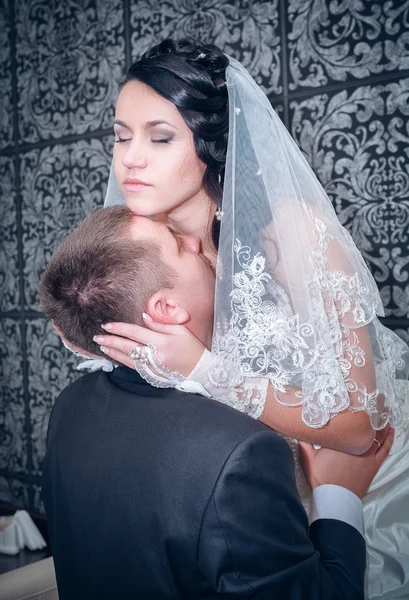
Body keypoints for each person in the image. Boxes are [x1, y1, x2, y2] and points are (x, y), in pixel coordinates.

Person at [84, 39, 409, 599]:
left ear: (213, 143)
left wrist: (207, 371)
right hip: (244, 503)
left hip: (361, 481)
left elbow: (362, 430)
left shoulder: (290, 234)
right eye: (120, 135)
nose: (129, 158)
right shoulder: (139, 252)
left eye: (159, 137)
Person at [40, 205, 394, 599]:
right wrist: (338, 492)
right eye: (178, 243)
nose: (194, 240)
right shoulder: (240, 453)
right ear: (167, 309)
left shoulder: (69, 408)